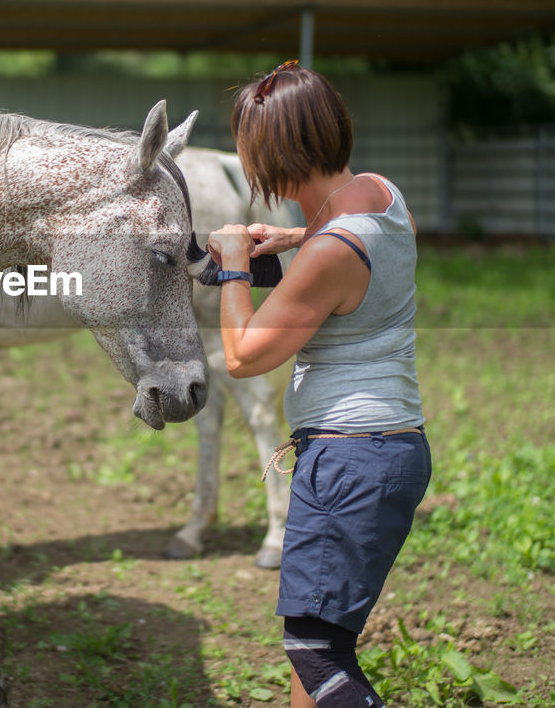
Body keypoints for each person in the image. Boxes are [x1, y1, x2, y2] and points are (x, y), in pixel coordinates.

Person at [206, 60, 431, 708]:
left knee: (313, 650)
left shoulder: (333, 252)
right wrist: (297, 236)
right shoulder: (383, 194)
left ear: (273, 155)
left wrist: (233, 267)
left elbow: (245, 355)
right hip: (389, 450)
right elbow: (393, 237)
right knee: (324, 646)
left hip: (349, 460)